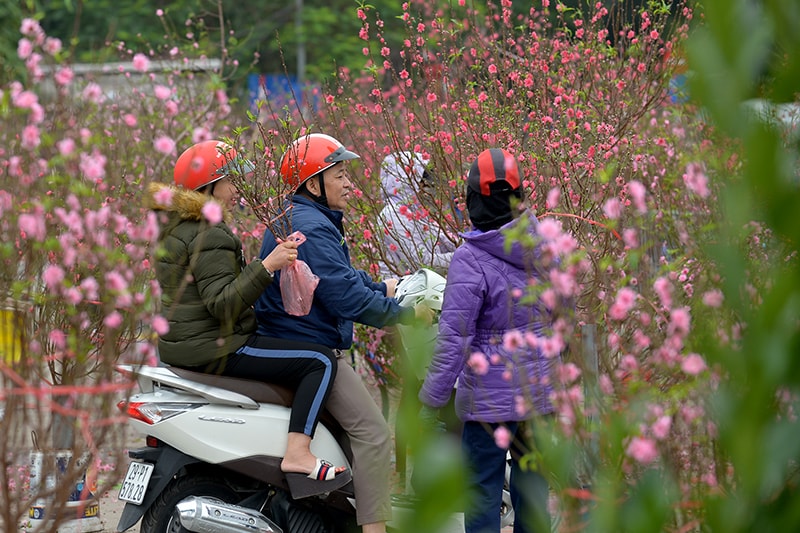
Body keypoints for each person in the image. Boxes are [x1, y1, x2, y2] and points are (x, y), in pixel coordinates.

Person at [149, 139, 350, 496]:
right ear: (208, 187)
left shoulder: (177, 228)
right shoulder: (208, 234)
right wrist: (267, 266)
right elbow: (223, 305)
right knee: (318, 360)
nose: (234, 190)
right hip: (217, 347)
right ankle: (299, 453)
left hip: (184, 346)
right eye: (229, 181)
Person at [254, 133, 433, 533]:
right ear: (314, 184)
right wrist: (405, 315)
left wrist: (384, 285)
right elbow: (344, 298)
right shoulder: (312, 227)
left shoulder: (302, 218)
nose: (349, 183)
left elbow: (339, 279)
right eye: (339, 174)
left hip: (297, 335)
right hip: (307, 342)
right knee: (373, 434)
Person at [418, 148, 559, 533]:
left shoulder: (470, 258)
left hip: (487, 403)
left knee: (481, 492)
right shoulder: (545, 245)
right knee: (533, 489)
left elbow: (454, 339)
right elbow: (564, 306)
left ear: (472, 200)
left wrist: (431, 400)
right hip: (538, 393)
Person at [378, 150, 456, 278]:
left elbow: (446, 240)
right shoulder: (392, 215)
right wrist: (464, 256)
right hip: (405, 292)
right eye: (421, 181)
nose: (424, 187)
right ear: (405, 181)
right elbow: (422, 263)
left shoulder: (417, 212)